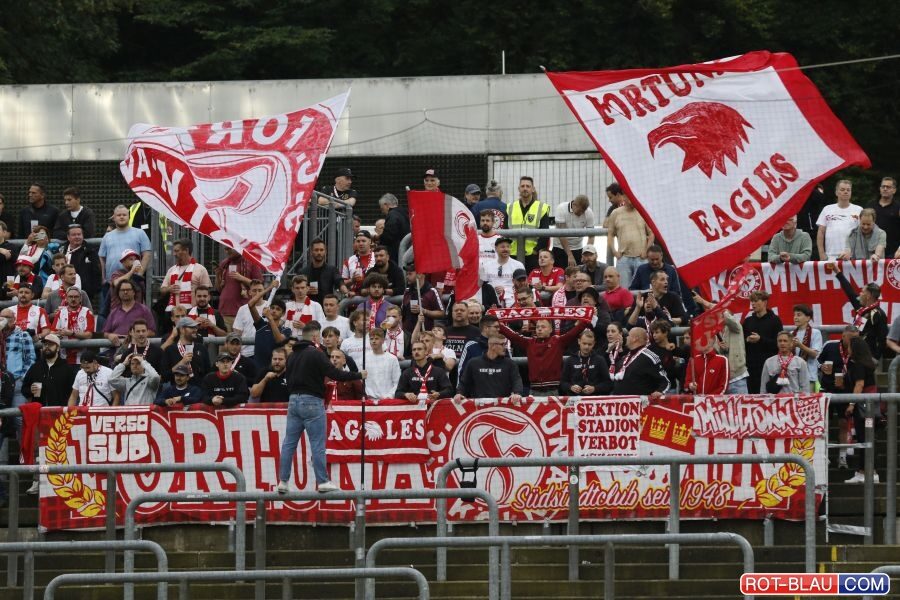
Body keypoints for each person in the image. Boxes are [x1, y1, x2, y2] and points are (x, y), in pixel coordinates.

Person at [279, 323, 366, 494]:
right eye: (319, 337)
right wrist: (358, 375)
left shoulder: (291, 356)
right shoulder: (316, 354)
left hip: (293, 401)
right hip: (312, 401)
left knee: (288, 444)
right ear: (314, 338)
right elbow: (335, 374)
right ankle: (322, 481)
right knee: (317, 443)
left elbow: (288, 379)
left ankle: (283, 481)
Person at [499, 317, 588, 395]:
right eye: (537, 327)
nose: (539, 329)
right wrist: (499, 324)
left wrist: (587, 320)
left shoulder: (557, 341)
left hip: (554, 391)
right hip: (533, 390)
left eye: (543, 327)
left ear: (550, 329)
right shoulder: (529, 343)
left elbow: (573, 333)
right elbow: (513, 336)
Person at [693, 290, 750, 394]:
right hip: (721, 381)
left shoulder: (736, 327)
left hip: (737, 378)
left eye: (716, 312)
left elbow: (725, 314)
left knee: (740, 410)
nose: (714, 315)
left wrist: (704, 302)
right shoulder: (711, 333)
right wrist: (721, 350)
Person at [98, 205, 152, 315]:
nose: (121, 217)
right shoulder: (107, 236)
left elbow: (147, 253)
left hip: (133, 280)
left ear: (129, 216)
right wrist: (103, 278)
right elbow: (102, 257)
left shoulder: (139, 233)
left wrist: (140, 272)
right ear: (114, 218)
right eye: (119, 215)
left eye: (124, 215)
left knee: (134, 311)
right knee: (111, 313)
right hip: (112, 282)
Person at [843, 336, 879, 484]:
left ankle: (869, 472)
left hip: (863, 407)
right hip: (869, 405)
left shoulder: (858, 365)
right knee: (865, 438)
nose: (847, 349)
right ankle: (863, 471)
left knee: (865, 438)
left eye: (849, 346)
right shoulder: (867, 363)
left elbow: (859, 385)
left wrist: (851, 404)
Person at [833, 262, 887, 359]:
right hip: (854, 353)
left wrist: (875, 359)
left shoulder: (879, 314)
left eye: (862, 291)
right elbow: (849, 291)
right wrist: (838, 273)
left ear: (869, 295)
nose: (860, 294)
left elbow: (882, 339)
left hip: (868, 357)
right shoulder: (860, 308)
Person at [454, 335, 523, 402]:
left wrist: (517, 393)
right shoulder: (473, 363)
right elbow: (464, 383)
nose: (505, 347)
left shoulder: (510, 364)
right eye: (502, 344)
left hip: (503, 407)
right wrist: (459, 393)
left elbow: (516, 380)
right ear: (492, 346)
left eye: (505, 344)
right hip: (478, 408)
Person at [606, 191, 653, 287]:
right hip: (624, 258)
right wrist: (615, 252)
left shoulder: (643, 211)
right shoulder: (616, 213)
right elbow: (610, 235)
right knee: (624, 289)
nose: (631, 201)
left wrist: (646, 250)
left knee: (644, 289)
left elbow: (651, 234)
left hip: (641, 257)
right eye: (628, 198)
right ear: (623, 197)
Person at [506, 176, 551, 272]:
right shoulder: (510, 207)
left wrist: (536, 251)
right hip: (512, 254)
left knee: (531, 283)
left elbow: (545, 233)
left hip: (533, 256)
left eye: (528, 186)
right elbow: (505, 231)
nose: (525, 188)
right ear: (519, 189)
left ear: (533, 189)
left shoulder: (542, 207)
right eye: (522, 186)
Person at [742, 291, 782, 394]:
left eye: (756, 301)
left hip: (769, 366)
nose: (753, 304)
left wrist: (761, 339)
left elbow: (778, 344)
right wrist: (747, 340)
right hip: (751, 367)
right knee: (752, 396)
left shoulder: (775, 320)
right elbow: (741, 344)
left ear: (764, 302)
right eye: (751, 301)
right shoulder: (748, 321)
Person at [22, 333, 76, 408]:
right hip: (40, 413)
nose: (47, 347)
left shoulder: (67, 368)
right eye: (45, 344)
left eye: (50, 344)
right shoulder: (35, 367)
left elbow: (74, 393)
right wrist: (30, 391)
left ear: (58, 348)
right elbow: (24, 389)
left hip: (60, 414)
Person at [610, 327, 669, 396]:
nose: (626, 338)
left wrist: (660, 391)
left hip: (640, 404)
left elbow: (665, 381)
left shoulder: (649, 357)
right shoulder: (626, 356)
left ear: (635, 338)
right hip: (621, 403)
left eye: (628, 335)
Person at [215, 247, 263, 329]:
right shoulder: (225, 263)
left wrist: (242, 278)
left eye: (229, 249)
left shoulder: (251, 262)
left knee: (242, 341)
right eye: (226, 249)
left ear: (237, 247)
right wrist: (217, 275)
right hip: (224, 312)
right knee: (226, 341)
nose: (227, 251)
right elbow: (219, 289)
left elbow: (259, 286)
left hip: (244, 313)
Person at [159, 238, 212, 312]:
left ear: (186, 250)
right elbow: (162, 289)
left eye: (177, 251)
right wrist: (169, 289)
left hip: (193, 311)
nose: (174, 254)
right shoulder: (172, 270)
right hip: (173, 312)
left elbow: (206, 292)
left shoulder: (200, 269)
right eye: (174, 251)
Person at [816, 179, 862, 260]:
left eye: (848, 190)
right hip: (830, 256)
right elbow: (821, 232)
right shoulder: (827, 209)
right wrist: (821, 253)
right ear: (836, 192)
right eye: (842, 189)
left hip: (852, 256)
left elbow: (863, 233)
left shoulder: (859, 210)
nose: (846, 192)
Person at [103, 280, 156, 348]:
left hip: (138, 350)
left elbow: (152, 331)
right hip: (116, 350)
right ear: (118, 293)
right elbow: (105, 332)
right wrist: (109, 335)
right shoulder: (114, 312)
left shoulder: (144, 310)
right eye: (122, 290)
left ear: (134, 292)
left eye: (128, 289)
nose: (125, 292)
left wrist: (135, 336)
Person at [559, 329, 612, 396]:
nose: (586, 347)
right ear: (579, 341)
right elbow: (563, 382)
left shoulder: (600, 360)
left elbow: (608, 383)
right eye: (584, 343)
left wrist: (594, 388)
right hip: (574, 400)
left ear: (594, 344)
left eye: (589, 344)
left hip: (594, 400)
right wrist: (571, 387)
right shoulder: (569, 360)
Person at [160, 317, 211, 386]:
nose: (195, 330)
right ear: (182, 329)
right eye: (192, 327)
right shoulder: (170, 350)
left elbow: (208, 374)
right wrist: (181, 363)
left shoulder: (201, 348)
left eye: (196, 327)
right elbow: (164, 377)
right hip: (177, 393)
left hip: (198, 394)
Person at [51, 286, 95, 365]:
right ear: (66, 299)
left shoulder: (87, 312)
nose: (73, 299)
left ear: (81, 299)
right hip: (63, 358)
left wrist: (71, 333)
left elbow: (89, 335)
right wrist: (58, 334)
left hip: (82, 360)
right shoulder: (60, 313)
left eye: (76, 297)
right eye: (70, 297)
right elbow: (52, 332)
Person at [232, 278, 273, 361]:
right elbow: (237, 332)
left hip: (266, 352)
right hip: (247, 352)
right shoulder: (242, 309)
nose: (257, 293)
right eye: (254, 290)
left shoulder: (271, 307)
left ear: (264, 291)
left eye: (260, 290)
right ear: (249, 292)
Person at [58, 224, 101, 299]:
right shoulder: (61, 251)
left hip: (84, 294)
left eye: (79, 234)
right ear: (68, 237)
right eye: (74, 235)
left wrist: (92, 290)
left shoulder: (90, 252)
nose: (77, 237)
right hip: (61, 292)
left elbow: (96, 272)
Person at [249, 297, 290, 372]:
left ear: (283, 313)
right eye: (272, 308)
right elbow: (251, 304)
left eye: (278, 309)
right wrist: (270, 287)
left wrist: (270, 318)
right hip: (259, 371)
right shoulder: (260, 325)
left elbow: (279, 340)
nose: (274, 311)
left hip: (276, 371)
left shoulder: (286, 330)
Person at [553, 194, 595, 268]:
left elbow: (591, 236)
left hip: (578, 248)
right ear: (574, 205)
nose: (581, 214)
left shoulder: (589, 213)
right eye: (580, 211)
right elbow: (562, 234)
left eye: (583, 211)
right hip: (560, 247)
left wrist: (586, 254)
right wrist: (569, 255)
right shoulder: (561, 208)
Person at [483, 237, 525, 308]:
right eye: (502, 247)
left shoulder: (518, 265)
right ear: (496, 248)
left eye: (508, 247)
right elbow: (483, 285)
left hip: (512, 299)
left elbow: (523, 286)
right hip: (492, 299)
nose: (506, 249)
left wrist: (505, 290)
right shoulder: (487, 265)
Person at [361, 328, 400, 400]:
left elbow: (397, 381)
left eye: (376, 339)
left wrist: (389, 396)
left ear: (382, 340)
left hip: (387, 400)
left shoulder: (392, 359)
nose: (373, 341)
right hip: (369, 399)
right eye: (371, 339)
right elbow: (362, 380)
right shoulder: (364, 358)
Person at [401, 269, 444, 333]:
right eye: (407, 274)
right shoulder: (407, 291)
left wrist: (424, 311)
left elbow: (441, 313)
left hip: (425, 334)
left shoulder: (432, 291)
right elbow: (402, 312)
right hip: (407, 334)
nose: (407, 277)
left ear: (420, 275)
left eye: (410, 274)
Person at [792, 304, 823, 391]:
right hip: (793, 377)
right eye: (794, 315)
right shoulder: (791, 334)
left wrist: (800, 345)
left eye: (799, 315)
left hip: (809, 376)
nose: (795, 317)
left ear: (808, 318)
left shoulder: (815, 333)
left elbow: (815, 354)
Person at [284, 275, 326, 339]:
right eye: (297, 288)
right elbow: (280, 325)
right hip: (290, 342)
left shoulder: (316, 306)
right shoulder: (287, 306)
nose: (300, 290)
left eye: (302, 287)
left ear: (307, 288)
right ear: (292, 289)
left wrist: (305, 327)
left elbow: (322, 327)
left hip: (308, 342)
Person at [378, 193, 410, 264]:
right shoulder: (406, 213)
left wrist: (379, 239)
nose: (382, 211)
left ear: (386, 204)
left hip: (395, 255)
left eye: (381, 207)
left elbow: (389, 236)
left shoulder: (392, 215)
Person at [342, 231, 376, 297]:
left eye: (363, 241)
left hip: (374, 299)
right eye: (358, 241)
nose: (361, 243)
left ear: (370, 242)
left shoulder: (377, 257)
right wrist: (352, 280)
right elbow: (341, 284)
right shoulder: (348, 261)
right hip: (354, 301)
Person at [871, 176, 899, 257]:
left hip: (893, 253)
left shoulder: (898, 207)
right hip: (872, 252)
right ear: (880, 189)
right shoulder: (871, 206)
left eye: (888, 187)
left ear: (894, 190)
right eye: (883, 186)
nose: (885, 189)